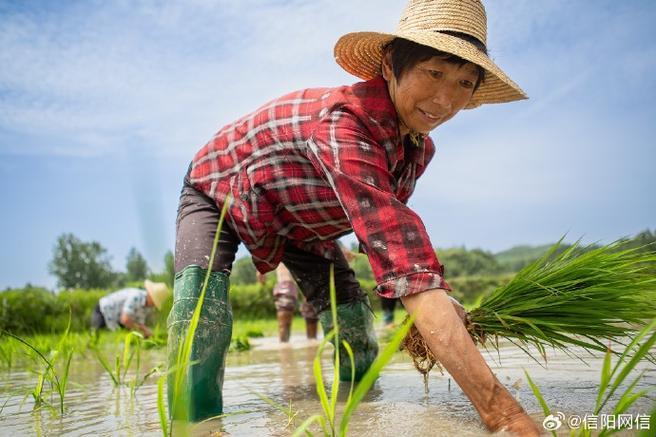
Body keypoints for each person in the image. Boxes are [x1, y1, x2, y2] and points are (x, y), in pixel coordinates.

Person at [168, 0, 540, 434]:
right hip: (219, 188)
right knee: (201, 307)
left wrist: (441, 303)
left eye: (463, 82)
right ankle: (193, 422)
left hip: (300, 224)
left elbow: (387, 237)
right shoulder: (344, 124)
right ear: (389, 64)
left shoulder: (418, 149)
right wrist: (504, 415)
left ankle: (357, 413)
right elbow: (404, 261)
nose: (444, 99)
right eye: (434, 73)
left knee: (356, 326)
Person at [257, 263, 319, 342]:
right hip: (284, 259)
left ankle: (312, 344)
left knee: (310, 301)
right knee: (285, 297)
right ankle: (284, 343)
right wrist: (261, 264)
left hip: (310, 260)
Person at [91, 279, 170, 338]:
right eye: (154, 301)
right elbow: (125, 320)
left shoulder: (147, 307)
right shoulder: (136, 297)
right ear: (150, 295)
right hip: (104, 309)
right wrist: (144, 330)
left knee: (121, 336)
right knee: (95, 335)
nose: (154, 305)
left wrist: (146, 332)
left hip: (117, 317)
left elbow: (138, 322)